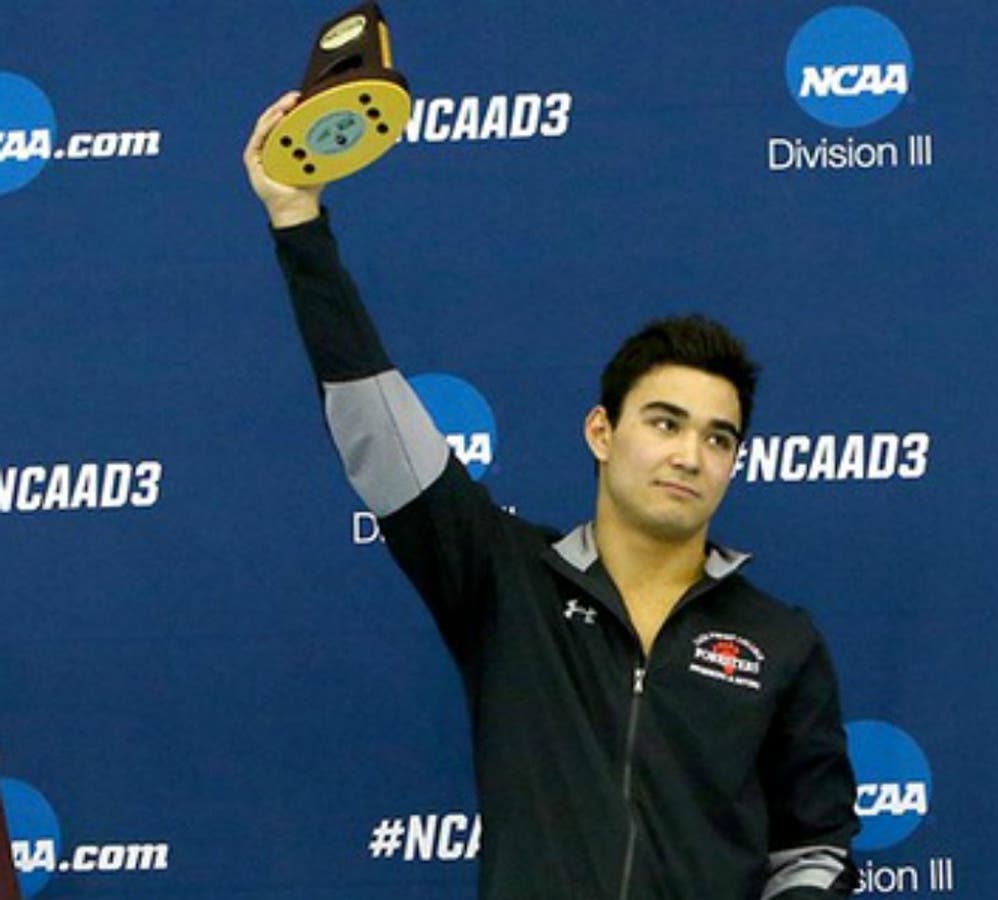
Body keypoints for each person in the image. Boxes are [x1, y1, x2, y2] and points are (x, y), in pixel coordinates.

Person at [245, 93, 860, 900]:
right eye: (666, 423)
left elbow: (813, 848)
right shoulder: (505, 579)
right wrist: (298, 222)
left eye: (719, 437)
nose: (690, 454)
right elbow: (375, 420)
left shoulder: (780, 639)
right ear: (602, 433)